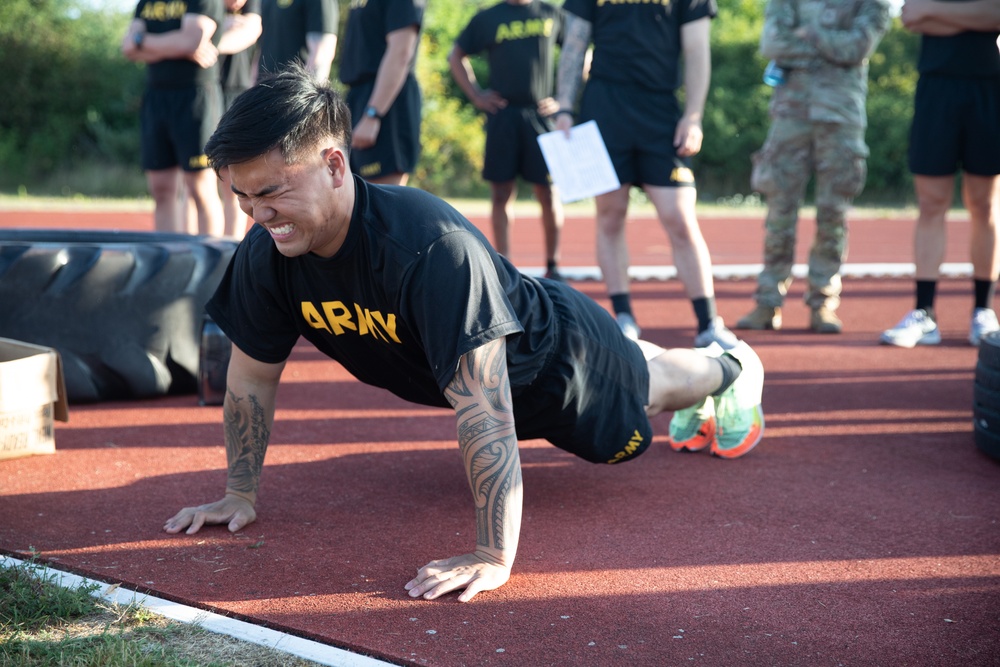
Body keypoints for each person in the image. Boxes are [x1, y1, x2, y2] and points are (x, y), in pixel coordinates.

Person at [162, 66, 767, 603]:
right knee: (641, 364)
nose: (254, 213)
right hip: (501, 347)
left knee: (650, 393)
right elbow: (250, 377)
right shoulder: (267, 253)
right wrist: (238, 494)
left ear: (334, 164)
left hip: (557, 362)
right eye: (240, 195)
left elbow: (484, 406)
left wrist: (493, 554)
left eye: (270, 192)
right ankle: (667, 357)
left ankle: (733, 367)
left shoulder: (429, 249)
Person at [553, 0, 736, 348]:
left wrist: (693, 116)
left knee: (679, 217)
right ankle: (624, 317)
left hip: (661, 113)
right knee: (609, 216)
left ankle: (708, 322)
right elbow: (575, 44)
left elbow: (697, 50)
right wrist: (564, 106)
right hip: (604, 110)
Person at [736, 0, 891, 334]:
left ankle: (823, 303)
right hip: (790, 116)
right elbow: (772, 43)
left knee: (832, 215)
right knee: (779, 212)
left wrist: (807, 35)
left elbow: (858, 47)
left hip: (841, 118)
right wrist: (831, 46)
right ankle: (767, 302)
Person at [881, 0, 1000, 347]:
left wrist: (939, 15)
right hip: (936, 88)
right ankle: (924, 313)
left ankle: (983, 310)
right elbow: (912, 15)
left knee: (984, 204)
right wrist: (976, 18)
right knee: (931, 203)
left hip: (990, 88)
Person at [448, 0, 567, 281]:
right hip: (503, 116)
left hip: (541, 116)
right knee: (501, 194)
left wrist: (564, 98)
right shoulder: (489, 17)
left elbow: (579, 51)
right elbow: (456, 56)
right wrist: (477, 95)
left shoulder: (551, 13)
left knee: (548, 193)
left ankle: (554, 265)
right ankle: (506, 267)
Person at [122, 0, 226, 237]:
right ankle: (170, 259)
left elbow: (191, 40)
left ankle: (211, 265)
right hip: (156, 97)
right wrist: (176, 44)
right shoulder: (146, 2)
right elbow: (128, 47)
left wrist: (143, 42)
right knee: (161, 190)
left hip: (194, 96)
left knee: (200, 188)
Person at [338, 0, 424, 186]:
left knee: (381, 201)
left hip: (384, 101)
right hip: (359, 95)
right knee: (355, 199)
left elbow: (401, 53)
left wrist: (373, 113)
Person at [217, 0, 262, 239]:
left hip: (237, 92)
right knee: (197, 179)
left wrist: (210, 35)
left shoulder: (254, 5)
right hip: (205, 87)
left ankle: (232, 244)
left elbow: (251, 31)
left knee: (232, 178)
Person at [256, 0, 338, 82]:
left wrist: (308, 92)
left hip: (293, 89)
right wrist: (252, 87)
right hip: (264, 88)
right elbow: (262, 46)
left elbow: (322, 53)